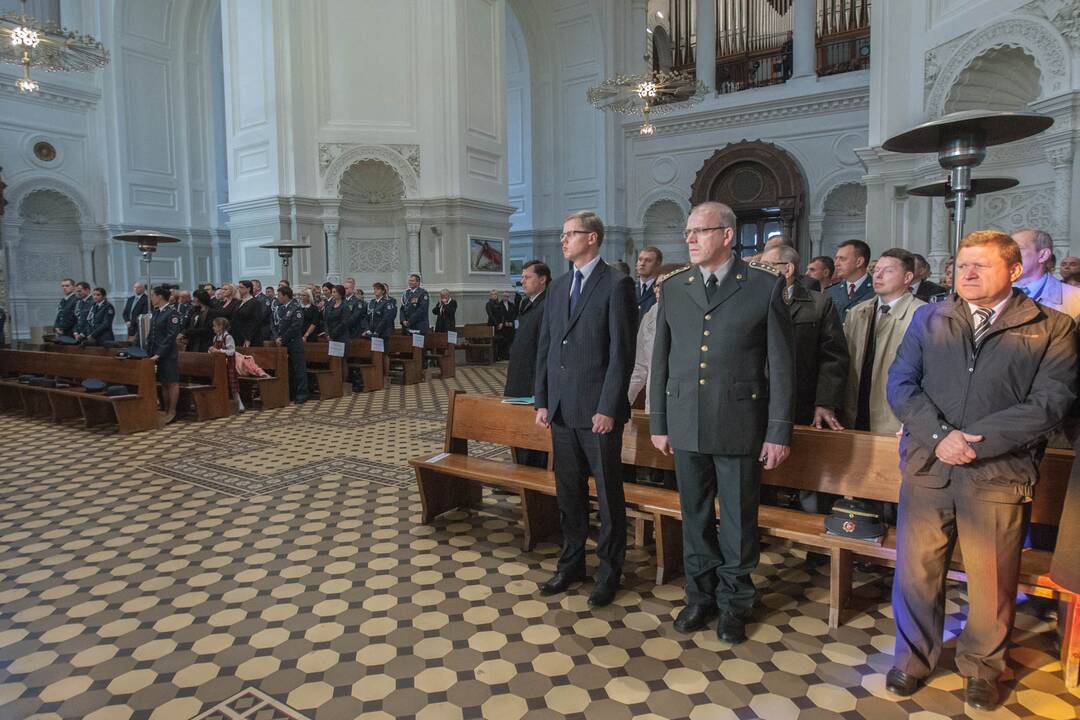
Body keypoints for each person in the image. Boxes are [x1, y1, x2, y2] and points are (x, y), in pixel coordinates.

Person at [885, 230, 1078, 711]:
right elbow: (901, 384)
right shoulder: (932, 317)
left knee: (992, 580)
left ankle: (982, 668)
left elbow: (1050, 402)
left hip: (999, 472)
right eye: (961, 265)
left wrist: (976, 443)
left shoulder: (1051, 326)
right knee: (917, 573)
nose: (966, 274)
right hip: (930, 465)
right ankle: (912, 661)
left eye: (980, 266)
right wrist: (939, 437)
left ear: (1014, 271)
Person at [649, 201, 795, 644]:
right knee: (693, 518)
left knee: (737, 520)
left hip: (739, 422)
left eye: (700, 231)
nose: (690, 239)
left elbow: (782, 365)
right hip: (685, 420)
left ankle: (735, 602)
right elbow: (662, 359)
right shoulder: (675, 288)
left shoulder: (763, 286)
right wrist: (659, 421)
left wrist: (778, 430)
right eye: (687, 232)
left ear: (727, 235)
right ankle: (700, 596)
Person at [534, 211, 637, 609]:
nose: (563, 241)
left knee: (609, 497)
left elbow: (621, 352)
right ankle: (571, 564)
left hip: (598, 412)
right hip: (560, 409)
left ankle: (609, 572)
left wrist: (609, 406)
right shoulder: (559, 287)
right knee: (569, 494)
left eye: (570, 234)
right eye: (562, 235)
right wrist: (542, 399)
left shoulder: (617, 284)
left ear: (592, 238)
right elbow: (547, 346)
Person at [761, 245, 847, 429]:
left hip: (801, 398)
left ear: (788, 268)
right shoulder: (753, 302)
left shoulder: (818, 304)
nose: (762, 272)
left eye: (767, 266)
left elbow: (833, 356)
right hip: (759, 399)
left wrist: (825, 401)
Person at [842, 248, 925, 435]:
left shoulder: (923, 315)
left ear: (907, 277)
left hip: (895, 418)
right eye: (876, 270)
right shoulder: (858, 312)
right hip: (854, 411)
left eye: (887, 271)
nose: (878, 275)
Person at [505, 261, 550, 468]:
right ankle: (520, 470)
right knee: (518, 427)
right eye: (522, 277)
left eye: (527, 277)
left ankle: (533, 474)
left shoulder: (547, 305)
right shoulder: (526, 303)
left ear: (542, 279)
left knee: (533, 431)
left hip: (532, 379)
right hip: (519, 377)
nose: (522, 281)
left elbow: (543, 347)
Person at [1011, 228, 1080, 320]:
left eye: (1018, 249)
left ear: (1043, 255)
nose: (1007, 256)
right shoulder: (990, 295)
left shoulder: (1076, 299)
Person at [146, 285, 182, 424]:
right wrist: (149, 352)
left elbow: (171, 336)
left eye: (152, 295)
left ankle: (172, 411)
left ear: (159, 296)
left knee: (171, 382)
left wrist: (159, 354)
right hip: (156, 353)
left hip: (168, 354)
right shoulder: (157, 312)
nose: (151, 298)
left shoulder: (171, 313)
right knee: (163, 382)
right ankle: (166, 409)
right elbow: (152, 334)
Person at [275, 286, 310, 404]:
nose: (277, 297)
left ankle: (302, 393)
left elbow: (295, 327)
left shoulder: (296, 308)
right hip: (284, 344)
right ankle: (291, 392)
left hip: (294, 343)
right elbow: (277, 325)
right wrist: (277, 337)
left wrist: (283, 338)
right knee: (288, 369)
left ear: (285, 295)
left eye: (279, 295)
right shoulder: (281, 308)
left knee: (299, 369)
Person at [826, 240, 874, 321]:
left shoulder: (877, 290)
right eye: (836, 258)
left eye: (842, 259)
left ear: (859, 262)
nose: (836, 264)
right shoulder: (831, 291)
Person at [635, 246, 663, 322]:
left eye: (648, 260)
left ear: (658, 264)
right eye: (640, 260)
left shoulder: (662, 289)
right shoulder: (630, 288)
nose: (642, 263)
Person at [232, 281, 263, 348]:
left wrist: (248, 338)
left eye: (241, 287)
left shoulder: (255, 303)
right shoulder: (238, 302)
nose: (239, 289)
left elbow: (256, 322)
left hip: (250, 337)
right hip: (237, 335)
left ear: (248, 289)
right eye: (238, 287)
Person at [485, 290, 506, 359]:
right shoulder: (488, 304)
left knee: (500, 341)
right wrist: (497, 324)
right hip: (492, 325)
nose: (495, 295)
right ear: (490, 296)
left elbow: (503, 314)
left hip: (500, 325)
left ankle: (499, 356)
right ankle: (493, 357)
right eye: (493, 294)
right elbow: (491, 315)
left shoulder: (500, 304)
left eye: (496, 294)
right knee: (494, 341)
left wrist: (502, 323)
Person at [500, 291, 518, 358]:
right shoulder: (499, 305)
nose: (506, 297)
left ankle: (509, 355)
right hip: (503, 327)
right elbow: (500, 315)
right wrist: (505, 322)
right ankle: (503, 355)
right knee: (504, 341)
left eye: (507, 296)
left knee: (510, 341)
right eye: (504, 296)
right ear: (502, 297)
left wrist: (512, 323)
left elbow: (514, 315)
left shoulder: (511, 305)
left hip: (511, 326)